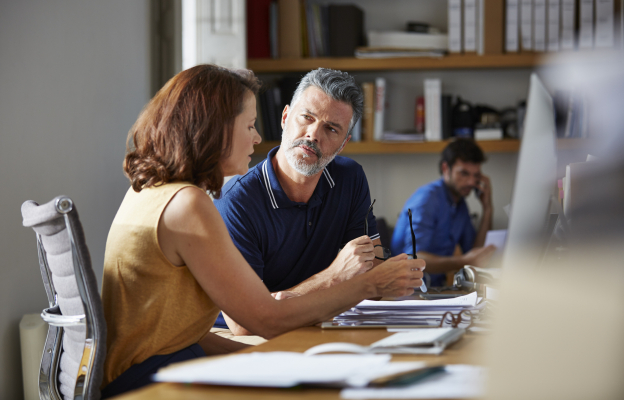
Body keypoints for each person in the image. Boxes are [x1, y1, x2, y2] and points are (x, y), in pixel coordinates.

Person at [99, 64, 424, 398]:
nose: (256, 137)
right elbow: (265, 320)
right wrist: (367, 284)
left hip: (152, 367)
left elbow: (176, 332)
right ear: (216, 129)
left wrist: (270, 358)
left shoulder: (150, 192)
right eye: (250, 125)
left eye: (330, 128)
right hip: (145, 384)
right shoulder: (188, 205)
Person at [214, 68, 388, 335]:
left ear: (343, 144)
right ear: (285, 117)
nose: (313, 135)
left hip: (319, 327)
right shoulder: (236, 202)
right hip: (247, 344)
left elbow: (372, 269)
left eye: (331, 129)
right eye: (307, 117)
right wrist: (334, 277)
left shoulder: (350, 178)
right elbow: (246, 323)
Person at [390, 138, 496, 287]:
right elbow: (413, 259)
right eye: (464, 173)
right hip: (405, 292)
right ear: (446, 169)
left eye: (476, 175)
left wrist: (487, 208)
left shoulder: (460, 204)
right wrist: (464, 261)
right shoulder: (427, 199)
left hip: (434, 290)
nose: (472, 182)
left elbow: (476, 253)